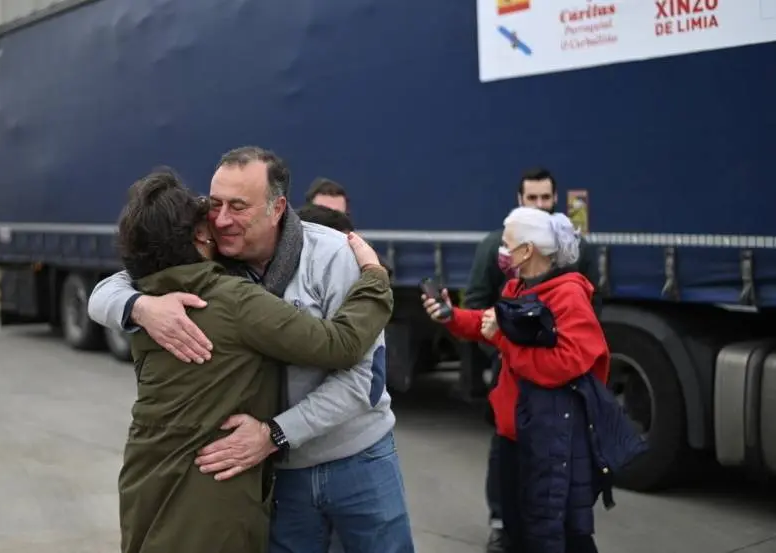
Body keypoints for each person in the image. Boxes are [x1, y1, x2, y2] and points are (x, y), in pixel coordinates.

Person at [88, 147, 415, 553]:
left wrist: (276, 433)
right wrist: (140, 306)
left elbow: (362, 377)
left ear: (277, 208)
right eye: (215, 204)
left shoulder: (332, 256)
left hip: (356, 459)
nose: (221, 220)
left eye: (238, 207)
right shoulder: (209, 262)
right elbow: (111, 287)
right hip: (281, 473)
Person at [424, 208, 629, 553]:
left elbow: (566, 364)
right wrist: (452, 316)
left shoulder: (569, 296)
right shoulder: (516, 287)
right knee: (520, 532)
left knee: (560, 536)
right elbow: (491, 322)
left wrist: (504, 339)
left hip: (550, 439)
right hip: (514, 433)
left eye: (506, 244)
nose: (500, 251)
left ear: (528, 250)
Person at [463, 167, 600, 553]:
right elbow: (482, 310)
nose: (540, 204)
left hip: (550, 408)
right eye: (532, 198)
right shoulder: (504, 265)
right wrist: (455, 319)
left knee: (552, 510)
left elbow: (575, 348)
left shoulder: (572, 277)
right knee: (508, 464)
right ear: (520, 199)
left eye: (546, 198)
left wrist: (509, 345)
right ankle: (501, 524)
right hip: (514, 388)